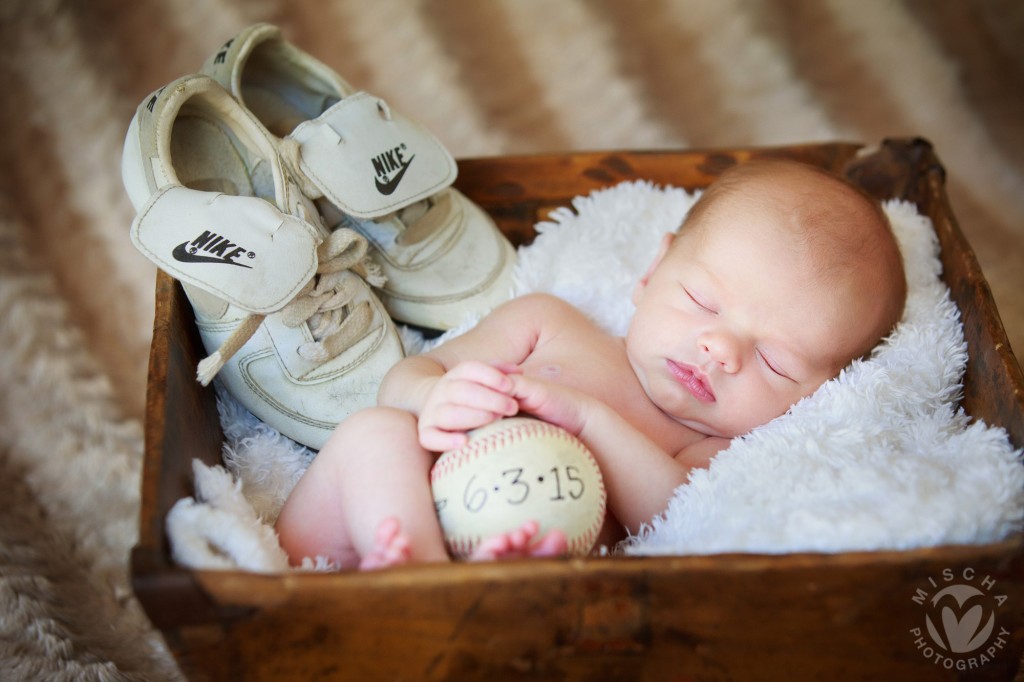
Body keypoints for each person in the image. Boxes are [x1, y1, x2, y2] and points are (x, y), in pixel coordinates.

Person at [274, 159, 908, 570]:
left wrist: (587, 419)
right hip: (349, 532)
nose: (720, 350)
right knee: (373, 431)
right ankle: (414, 569)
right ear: (654, 271)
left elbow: (674, 518)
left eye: (774, 360)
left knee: (558, 568)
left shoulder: (702, 452)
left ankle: (449, 586)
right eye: (701, 301)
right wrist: (431, 400)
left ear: (820, 394)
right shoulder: (549, 322)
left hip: (512, 564)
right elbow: (405, 378)